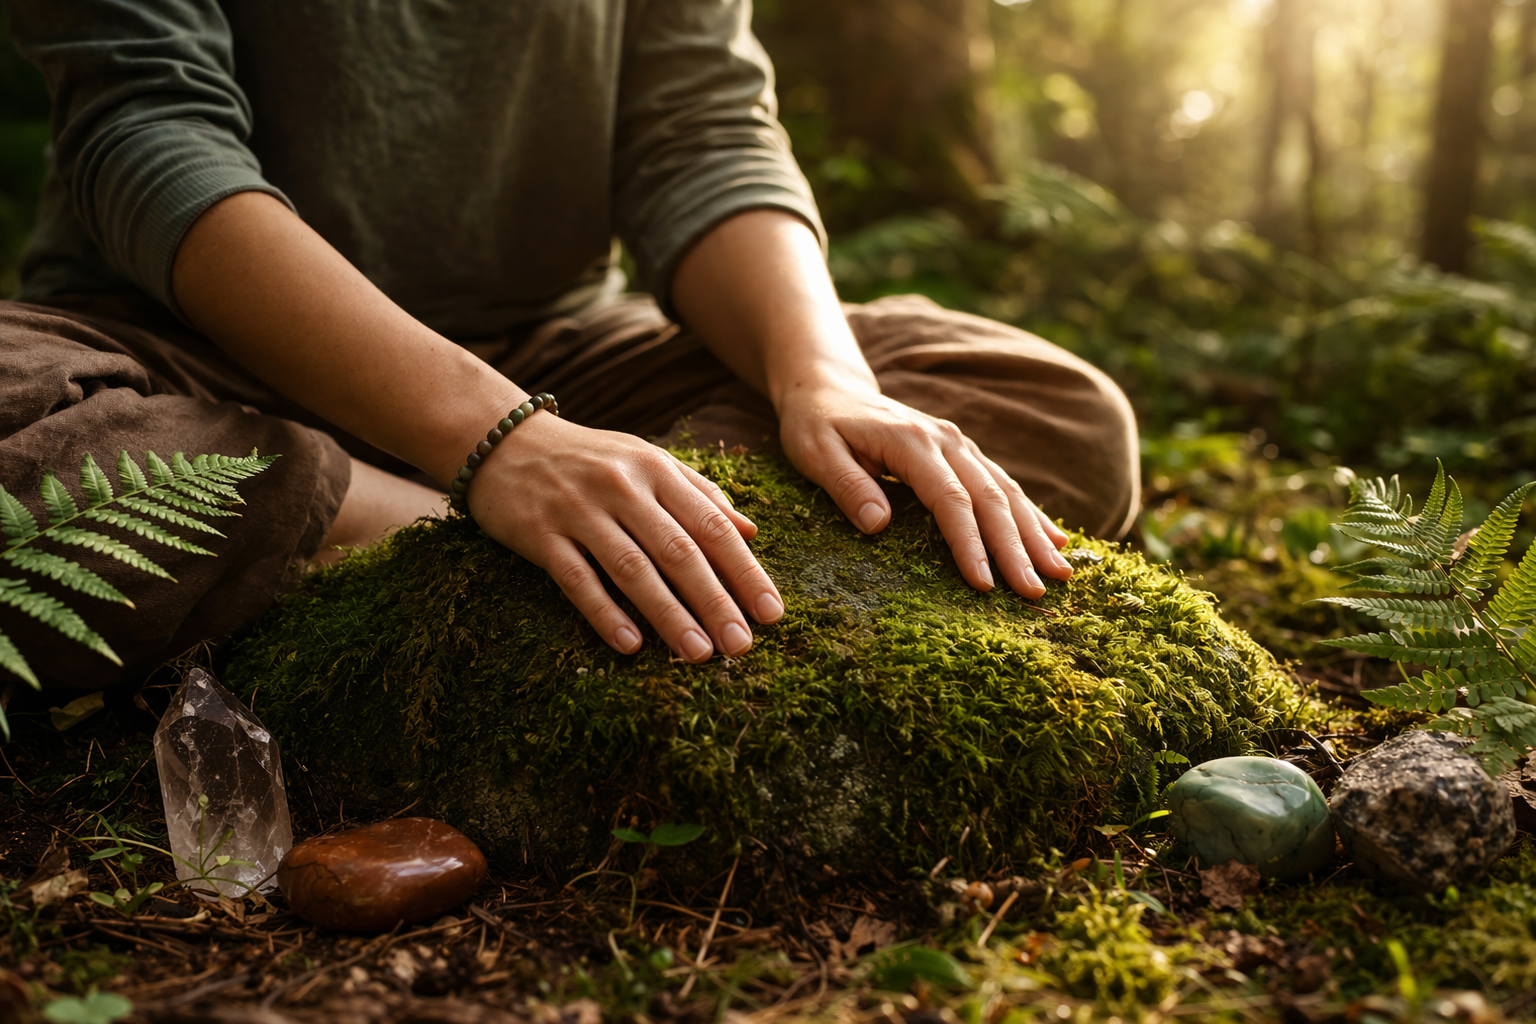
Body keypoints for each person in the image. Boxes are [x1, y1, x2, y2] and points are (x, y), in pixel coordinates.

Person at [0, 0, 1139, 692]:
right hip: (189, 360)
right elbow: (147, 130)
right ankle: (457, 534)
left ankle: (548, 546)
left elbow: (700, 130)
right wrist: (493, 448)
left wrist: (825, 384)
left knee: (1050, 407)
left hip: (559, 360)